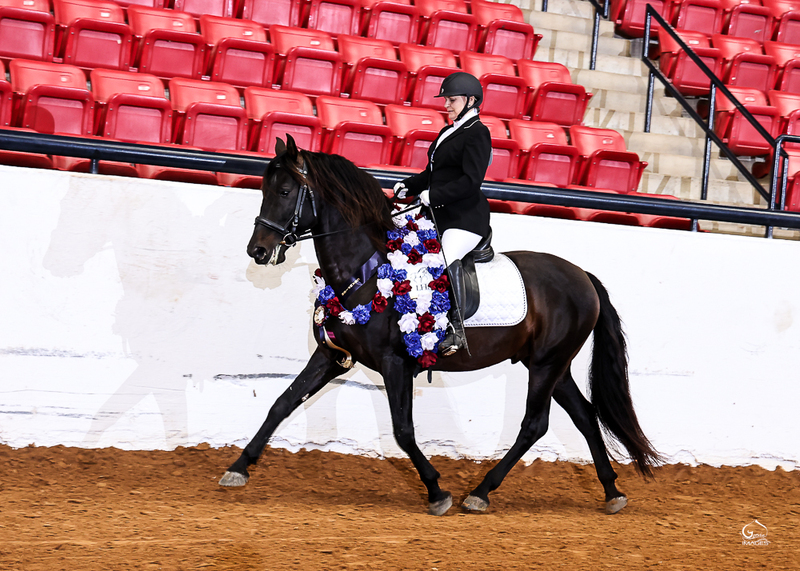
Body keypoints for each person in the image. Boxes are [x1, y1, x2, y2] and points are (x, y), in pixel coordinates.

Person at [393, 71, 492, 356]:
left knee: (444, 260)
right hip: (437, 214)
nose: (446, 104)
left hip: (464, 217)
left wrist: (434, 196)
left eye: (452, 100)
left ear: (471, 100)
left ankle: (456, 329)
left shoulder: (478, 133)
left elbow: (471, 180)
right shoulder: (448, 131)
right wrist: (407, 186)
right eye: (446, 100)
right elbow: (432, 174)